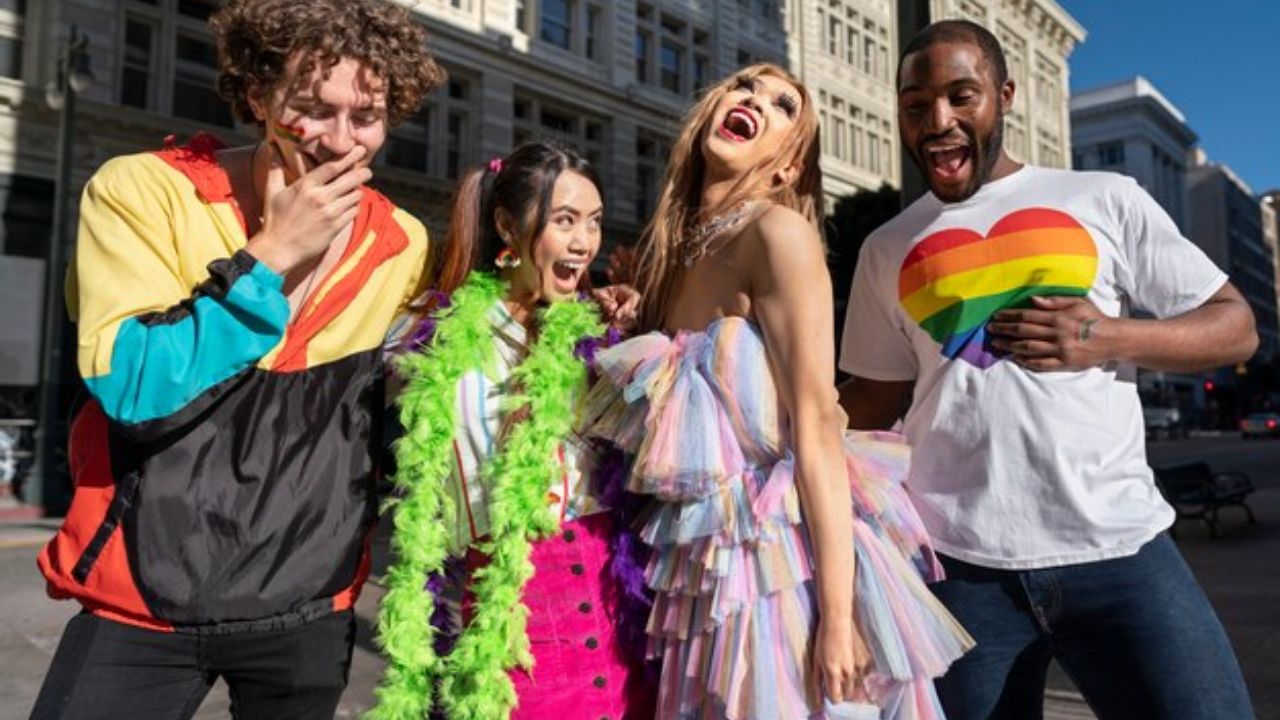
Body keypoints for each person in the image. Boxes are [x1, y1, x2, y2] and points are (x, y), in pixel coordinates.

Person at [31, 1, 444, 718]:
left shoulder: (404, 243)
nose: (341, 142)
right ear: (259, 97)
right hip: (141, 601)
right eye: (313, 108)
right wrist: (271, 256)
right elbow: (133, 387)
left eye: (367, 117)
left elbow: (394, 408)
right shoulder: (143, 191)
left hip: (307, 604)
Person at [838, 19, 1258, 720]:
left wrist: (1104, 335)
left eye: (960, 96)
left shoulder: (1104, 197)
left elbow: (1236, 326)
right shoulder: (887, 246)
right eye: (916, 105)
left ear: (1003, 97)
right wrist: (751, 418)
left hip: (1121, 553)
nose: (937, 121)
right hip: (959, 570)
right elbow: (874, 397)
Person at [587, 63, 973, 720]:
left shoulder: (777, 232)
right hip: (705, 574)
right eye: (743, 87)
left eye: (783, 105)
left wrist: (840, 618)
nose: (754, 100)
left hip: (784, 571)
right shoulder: (675, 257)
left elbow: (820, 425)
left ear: (788, 169)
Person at [369, 140, 650, 720]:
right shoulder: (433, 333)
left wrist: (636, 342)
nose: (584, 242)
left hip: (612, 601)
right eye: (565, 220)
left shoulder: (594, 336)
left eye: (594, 223)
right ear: (506, 224)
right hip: (510, 616)